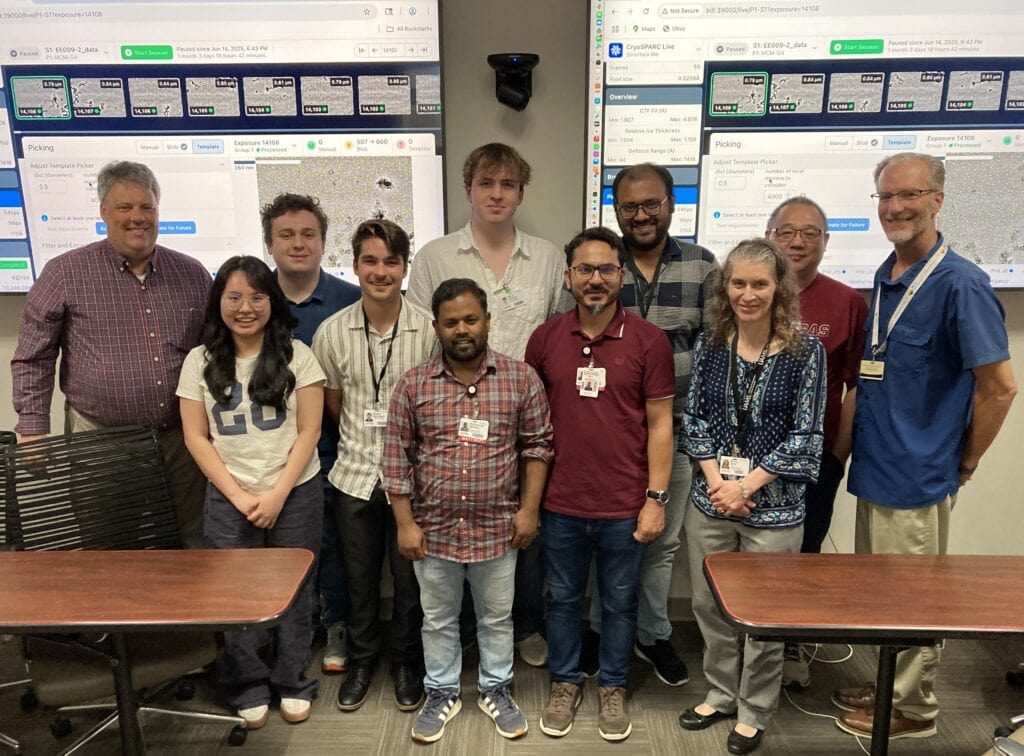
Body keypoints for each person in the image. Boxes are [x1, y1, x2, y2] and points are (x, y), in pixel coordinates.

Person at [833, 152, 1017, 741]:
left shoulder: (961, 283)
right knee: (883, 595)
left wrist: (965, 460)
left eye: (909, 195)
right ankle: (892, 683)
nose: (895, 207)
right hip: (879, 467)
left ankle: (914, 707)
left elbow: (1000, 386)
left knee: (912, 596)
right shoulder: (889, 277)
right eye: (885, 198)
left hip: (919, 473)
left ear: (937, 199)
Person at [407, 142, 563, 667]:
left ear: (521, 193)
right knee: (461, 527)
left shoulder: (547, 256)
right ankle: (466, 632)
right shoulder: (435, 255)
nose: (497, 194)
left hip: (527, 405)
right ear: (468, 188)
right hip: (455, 408)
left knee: (525, 525)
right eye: (486, 184)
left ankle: (525, 627)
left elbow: (561, 333)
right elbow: (420, 335)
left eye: (508, 185)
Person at [382, 277, 554, 744]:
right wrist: (405, 524)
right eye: (451, 321)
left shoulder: (520, 379)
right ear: (436, 326)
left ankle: (496, 688)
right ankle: (441, 691)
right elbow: (395, 456)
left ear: (487, 322)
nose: (463, 329)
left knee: (497, 618)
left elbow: (538, 447)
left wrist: (529, 511)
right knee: (436, 618)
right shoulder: (413, 384)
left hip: (499, 529)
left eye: (471, 319)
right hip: (432, 531)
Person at [526, 226, 674, 742]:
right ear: (568, 277)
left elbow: (660, 425)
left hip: (623, 504)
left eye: (606, 269)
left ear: (621, 276)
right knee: (562, 599)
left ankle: (612, 685)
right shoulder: (544, 339)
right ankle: (565, 681)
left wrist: (656, 499)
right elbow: (531, 425)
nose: (595, 279)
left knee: (619, 601)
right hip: (561, 501)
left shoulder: (649, 341)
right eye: (585, 269)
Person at [11, 160, 211, 543]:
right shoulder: (65, 273)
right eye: (125, 207)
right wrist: (33, 429)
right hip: (101, 444)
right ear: (103, 211)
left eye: (146, 207)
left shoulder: (192, 274)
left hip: (181, 443)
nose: (137, 217)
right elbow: (33, 357)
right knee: (109, 550)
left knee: (192, 547)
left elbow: (216, 355)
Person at [678, 238, 825, 755]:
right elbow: (692, 417)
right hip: (711, 501)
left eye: (759, 284)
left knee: (763, 617)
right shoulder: (711, 345)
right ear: (725, 288)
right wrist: (719, 483)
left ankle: (755, 708)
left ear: (778, 288)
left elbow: (806, 436)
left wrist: (745, 486)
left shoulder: (808, 352)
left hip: (774, 510)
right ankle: (720, 693)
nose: (747, 294)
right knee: (709, 605)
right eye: (737, 283)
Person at [581, 162, 718, 686]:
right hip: (609, 438)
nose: (641, 216)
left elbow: (715, 350)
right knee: (602, 542)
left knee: (660, 546)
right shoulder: (600, 263)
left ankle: (653, 633)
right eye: (629, 206)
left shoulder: (703, 266)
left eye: (651, 204)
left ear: (671, 205)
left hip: (676, 432)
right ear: (616, 210)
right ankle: (597, 630)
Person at [177, 255, 325, 728]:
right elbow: (196, 438)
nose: (246, 307)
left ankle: (292, 681)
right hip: (228, 497)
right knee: (236, 597)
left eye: (257, 297)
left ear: (272, 302)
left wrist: (279, 492)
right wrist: (239, 496)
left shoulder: (297, 355)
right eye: (234, 297)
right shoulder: (198, 362)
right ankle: (247, 684)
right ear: (218, 301)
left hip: (294, 491)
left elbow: (309, 431)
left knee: (296, 593)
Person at [311, 219, 437, 714]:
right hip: (354, 478)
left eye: (390, 261)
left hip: (416, 481)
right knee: (359, 580)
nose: (380, 272)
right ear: (356, 265)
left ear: (404, 267)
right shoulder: (332, 332)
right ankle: (364, 661)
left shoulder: (428, 328)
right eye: (369, 261)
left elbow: (437, 405)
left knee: (409, 583)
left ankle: (405, 661)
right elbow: (335, 404)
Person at [765, 196, 868, 689]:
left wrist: (836, 455)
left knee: (804, 552)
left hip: (813, 460)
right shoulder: (749, 292)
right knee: (747, 552)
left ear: (826, 242)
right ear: (769, 238)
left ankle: (790, 642)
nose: (799, 241)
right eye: (787, 231)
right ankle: (745, 641)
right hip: (749, 457)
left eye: (811, 232)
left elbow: (854, 387)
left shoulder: (846, 301)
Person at [262, 193, 360, 674]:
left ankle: (337, 624)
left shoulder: (351, 299)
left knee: (335, 545)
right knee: (279, 553)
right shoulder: (254, 300)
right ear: (269, 243)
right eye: (287, 235)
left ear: (324, 243)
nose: (298, 244)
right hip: (267, 457)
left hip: (335, 451)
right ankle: (284, 632)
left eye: (308, 235)